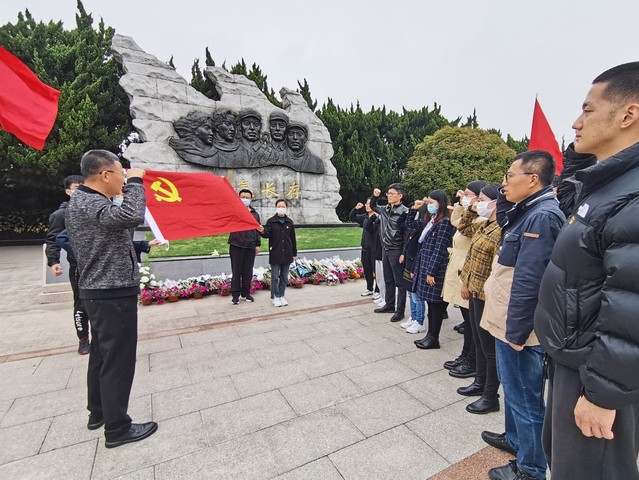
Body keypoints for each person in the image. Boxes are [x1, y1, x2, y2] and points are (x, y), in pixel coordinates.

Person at [535, 62, 639, 480]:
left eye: (588, 110)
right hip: (578, 361)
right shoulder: (611, 185)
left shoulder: (631, 194)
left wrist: (602, 394)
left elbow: (631, 303)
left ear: (629, 114)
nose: (576, 123)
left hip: (598, 374)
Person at [480, 151, 565, 480]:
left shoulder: (542, 216)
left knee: (526, 399)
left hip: (518, 327)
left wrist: (516, 332)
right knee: (513, 390)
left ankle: (530, 468)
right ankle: (514, 440)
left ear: (532, 179)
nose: (504, 184)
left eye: (509, 176)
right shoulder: (528, 210)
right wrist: (506, 197)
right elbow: (505, 223)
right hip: (507, 319)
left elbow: (530, 280)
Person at [65, 149, 158, 448]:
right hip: (110, 291)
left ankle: (99, 413)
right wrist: (137, 183)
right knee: (117, 359)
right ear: (105, 175)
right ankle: (117, 428)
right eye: (121, 174)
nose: (124, 180)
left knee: (102, 355)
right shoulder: (91, 202)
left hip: (100, 289)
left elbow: (117, 229)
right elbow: (131, 215)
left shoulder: (85, 201)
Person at [458, 183, 502, 414]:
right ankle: (479, 382)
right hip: (474, 290)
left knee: (489, 348)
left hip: (487, 295)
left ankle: (490, 395)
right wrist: (465, 281)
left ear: (496, 202)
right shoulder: (484, 224)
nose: (477, 203)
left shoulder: (501, 229)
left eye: (482, 199)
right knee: (478, 340)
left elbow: (497, 269)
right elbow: (463, 229)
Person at [442, 180, 486, 377]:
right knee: (467, 322)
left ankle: (472, 360)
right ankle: (466, 355)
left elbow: (463, 227)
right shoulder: (472, 215)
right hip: (460, 269)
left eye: (469, 194)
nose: (464, 197)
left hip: (468, 275)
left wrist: (471, 207)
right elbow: (457, 223)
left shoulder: (482, 220)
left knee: (472, 324)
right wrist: (463, 204)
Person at [45, 175, 90, 355]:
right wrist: (54, 261)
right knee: (81, 303)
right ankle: (83, 338)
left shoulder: (93, 209)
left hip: (98, 265)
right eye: (77, 188)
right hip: (78, 266)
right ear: (68, 191)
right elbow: (53, 239)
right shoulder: (61, 215)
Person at [412, 190, 454, 349]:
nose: (429, 205)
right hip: (425, 265)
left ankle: (434, 338)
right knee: (430, 304)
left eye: (431, 203)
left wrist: (431, 271)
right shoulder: (432, 220)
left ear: (440, 203)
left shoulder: (444, 222)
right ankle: (429, 335)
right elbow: (411, 225)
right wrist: (415, 210)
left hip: (434, 269)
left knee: (435, 305)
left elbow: (440, 249)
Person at [370, 184, 409, 322]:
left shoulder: (405, 212)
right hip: (385, 248)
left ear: (400, 195)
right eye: (388, 194)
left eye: (392, 193)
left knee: (400, 282)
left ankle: (400, 311)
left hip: (396, 249)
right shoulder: (385, 209)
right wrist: (374, 196)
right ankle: (390, 305)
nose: (389, 196)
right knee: (388, 279)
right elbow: (373, 206)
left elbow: (407, 234)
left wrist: (403, 252)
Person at [259, 198, 297, 307]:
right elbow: (267, 234)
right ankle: (275, 297)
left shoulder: (289, 222)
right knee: (275, 277)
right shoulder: (271, 221)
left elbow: (293, 239)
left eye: (283, 206)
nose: (281, 208)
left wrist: (294, 253)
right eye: (279, 206)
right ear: (275, 208)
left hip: (287, 253)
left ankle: (282, 295)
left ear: (286, 208)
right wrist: (262, 231)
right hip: (275, 253)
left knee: (284, 277)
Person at [400, 197, 429, 334]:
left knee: (416, 295)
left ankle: (419, 321)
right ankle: (413, 316)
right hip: (409, 259)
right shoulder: (419, 222)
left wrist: (414, 268)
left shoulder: (425, 224)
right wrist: (413, 209)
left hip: (416, 262)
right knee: (410, 292)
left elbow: (419, 248)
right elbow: (408, 224)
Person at [228, 189, 261, 305]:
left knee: (248, 271)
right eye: (243, 197)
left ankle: (245, 293)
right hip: (236, 244)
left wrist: (257, 244)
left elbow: (257, 230)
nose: (245, 199)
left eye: (247, 197)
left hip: (250, 246)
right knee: (236, 271)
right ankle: (235, 295)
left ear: (251, 199)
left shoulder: (255, 214)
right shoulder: (234, 211)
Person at [349, 198, 377, 296]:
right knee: (367, 270)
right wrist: (356, 208)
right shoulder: (364, 217)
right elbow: (352, 216)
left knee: (376, 271)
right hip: (365, 248)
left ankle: (378, 291)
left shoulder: (378, 218)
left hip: (374, 249)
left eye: (369, 204)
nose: (367, 206)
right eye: (366, 204)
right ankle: (369, 288)